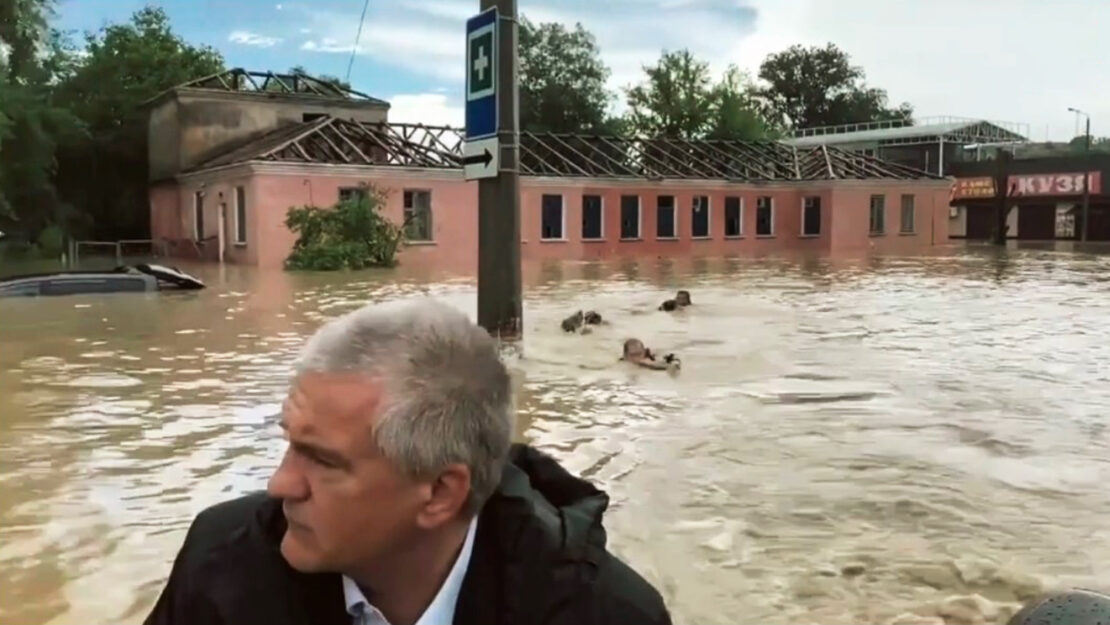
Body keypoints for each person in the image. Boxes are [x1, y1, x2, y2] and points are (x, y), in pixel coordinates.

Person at [143, 298, 670, 625]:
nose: (281, 484)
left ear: (440, 494)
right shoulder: (223, 563)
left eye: (323, 461)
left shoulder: (605, 614)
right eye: (291, 443)